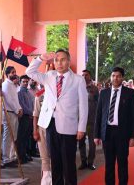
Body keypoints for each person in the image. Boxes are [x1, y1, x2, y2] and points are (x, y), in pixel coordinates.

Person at [26, 49, 88, 185]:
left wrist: (81, 128)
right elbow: (29, 72)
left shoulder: (78, 80)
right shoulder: (49, 75)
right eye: (56, 60)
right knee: (55, 163)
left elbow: (83, 106)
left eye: (63, 59)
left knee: (69, 164)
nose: (59, 63)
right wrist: (41, 58)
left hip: (69, 127)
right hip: (50, 124)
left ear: (69, 61)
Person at [94, 67, 134, 185]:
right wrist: (96, 135)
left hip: (122, 134)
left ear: (122, 77)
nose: (115, 78)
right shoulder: (104, 93)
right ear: (111, 76)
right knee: (109, 164)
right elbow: (99, 115)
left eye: (118, 76)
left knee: (122, 163)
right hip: (107, 133)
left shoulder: (129, 93)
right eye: (113, 75)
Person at [1, 66, 23, 166]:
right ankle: (6, 159)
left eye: (15, 72)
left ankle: (12, 156)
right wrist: (16, 110)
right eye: (12, 72)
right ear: (7, 74)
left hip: (14, 112)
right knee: (8, 136)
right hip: (9, 112)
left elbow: (15, 99)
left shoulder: (13, 85)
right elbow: (8, 100)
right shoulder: (5, 84)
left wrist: (19, 109)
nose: (14, 74)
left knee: (14, 136)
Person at [78, 69, 98, 170]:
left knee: (92, 143)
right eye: (83, 75)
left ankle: (91, 162)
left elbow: (98, 104)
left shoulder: (95, 89)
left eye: (86, 75)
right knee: (81, 142)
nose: (84, 77)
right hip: (80, 120)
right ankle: (83, 161)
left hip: (91, 120)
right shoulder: (78, 88)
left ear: (90, 76)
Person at [33, 85, 52, 185]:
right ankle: (45, 179)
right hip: (42, 128)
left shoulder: (59, 92)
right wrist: (35, 131)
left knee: (54, 155)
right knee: (44, 156)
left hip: (56, 128)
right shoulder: (39, 95)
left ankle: (54, 178)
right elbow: (35, 114)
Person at [17, 75, 34, 164]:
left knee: (27, 137)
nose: (25, 83)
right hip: (24, 116)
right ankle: (20, 156)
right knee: (21, 137)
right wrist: (31, 113)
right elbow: (22, 105)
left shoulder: (28, 92)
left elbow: (31, 104)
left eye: (26, 82)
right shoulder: (20, 92)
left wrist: (33, 113)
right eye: (23, 81)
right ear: (20, 82)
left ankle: (25, 154)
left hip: (30, 116)